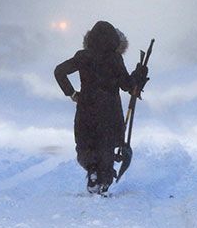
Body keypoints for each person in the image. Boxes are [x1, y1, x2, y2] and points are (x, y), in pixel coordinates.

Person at [54, 21, 148, 194]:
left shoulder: (82, 56)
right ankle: (104, 180)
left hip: (86, 108)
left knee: (86, 143)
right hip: (109, 110)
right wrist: (138, 75)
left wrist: (73, 94)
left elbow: (59, 71)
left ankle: (92, 172)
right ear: (114, 40)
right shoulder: (114, 58)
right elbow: (126, 85)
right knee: (107, 144)